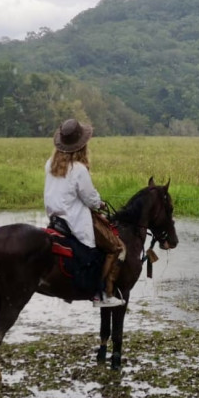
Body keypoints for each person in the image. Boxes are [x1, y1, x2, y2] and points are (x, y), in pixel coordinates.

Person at [44, 118, 125, 308]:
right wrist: (101, 204)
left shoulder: (50, 164)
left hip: (55, 220)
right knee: (115, 248)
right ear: (81, 145)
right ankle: (103, 293)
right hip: (74, 222)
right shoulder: (79, 169)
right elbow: (90, 199)